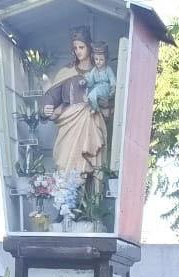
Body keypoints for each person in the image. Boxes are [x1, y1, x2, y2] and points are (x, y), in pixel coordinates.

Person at [42, 27, 109, 173]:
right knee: (66, 165)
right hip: (69, 124)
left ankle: (91, 187)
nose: (78, 51)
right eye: (75, 48)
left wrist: (100, 102)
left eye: (81, 47)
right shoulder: (66, 72)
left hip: (91, 122)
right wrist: (47, 107)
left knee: (91, 167)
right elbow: (52, 95)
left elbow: (109, 98)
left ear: (89, 47)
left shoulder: (100, 73)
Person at [84, 41, 115, 116]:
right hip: (96, 87)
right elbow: (91, 83)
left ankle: (95, 109)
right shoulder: (94, 70)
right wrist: (86, 80)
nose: (98, 62)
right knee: (89, 93)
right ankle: (94, 107)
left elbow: (112, 80)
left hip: (105, 88)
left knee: (93, 93)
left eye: (101, 60)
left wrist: (113, 88)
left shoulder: (108, 69)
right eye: (96, 59)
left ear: (106, 59)